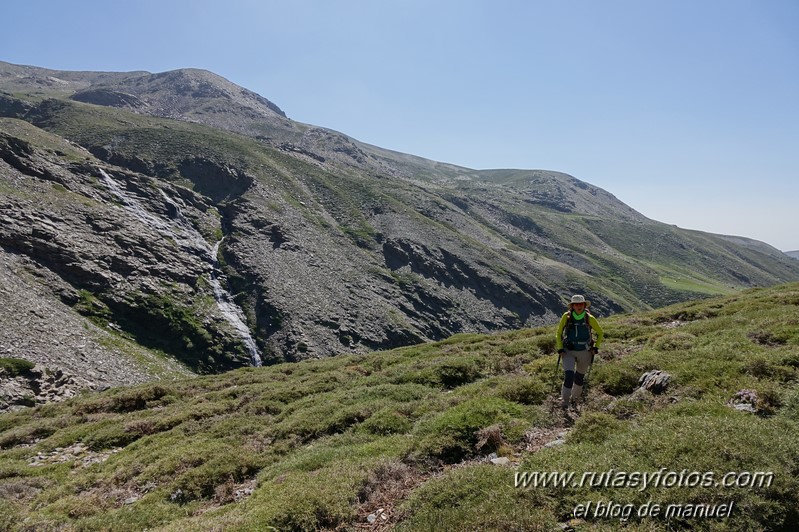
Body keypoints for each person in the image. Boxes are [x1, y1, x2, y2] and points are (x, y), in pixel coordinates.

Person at [555, 294, 603, 409]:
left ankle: (575, 399)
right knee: (569, 375)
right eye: (576, 304)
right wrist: (560, 348)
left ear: (584, 305)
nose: (578, 306)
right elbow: (558, 333)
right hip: (568, 351)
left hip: (585, 351)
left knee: (579, 377)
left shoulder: (589, 318)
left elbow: (600, 332)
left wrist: (596, 347)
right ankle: (565, 401)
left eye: (580, 304)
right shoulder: (566, 316)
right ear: (572, 306)